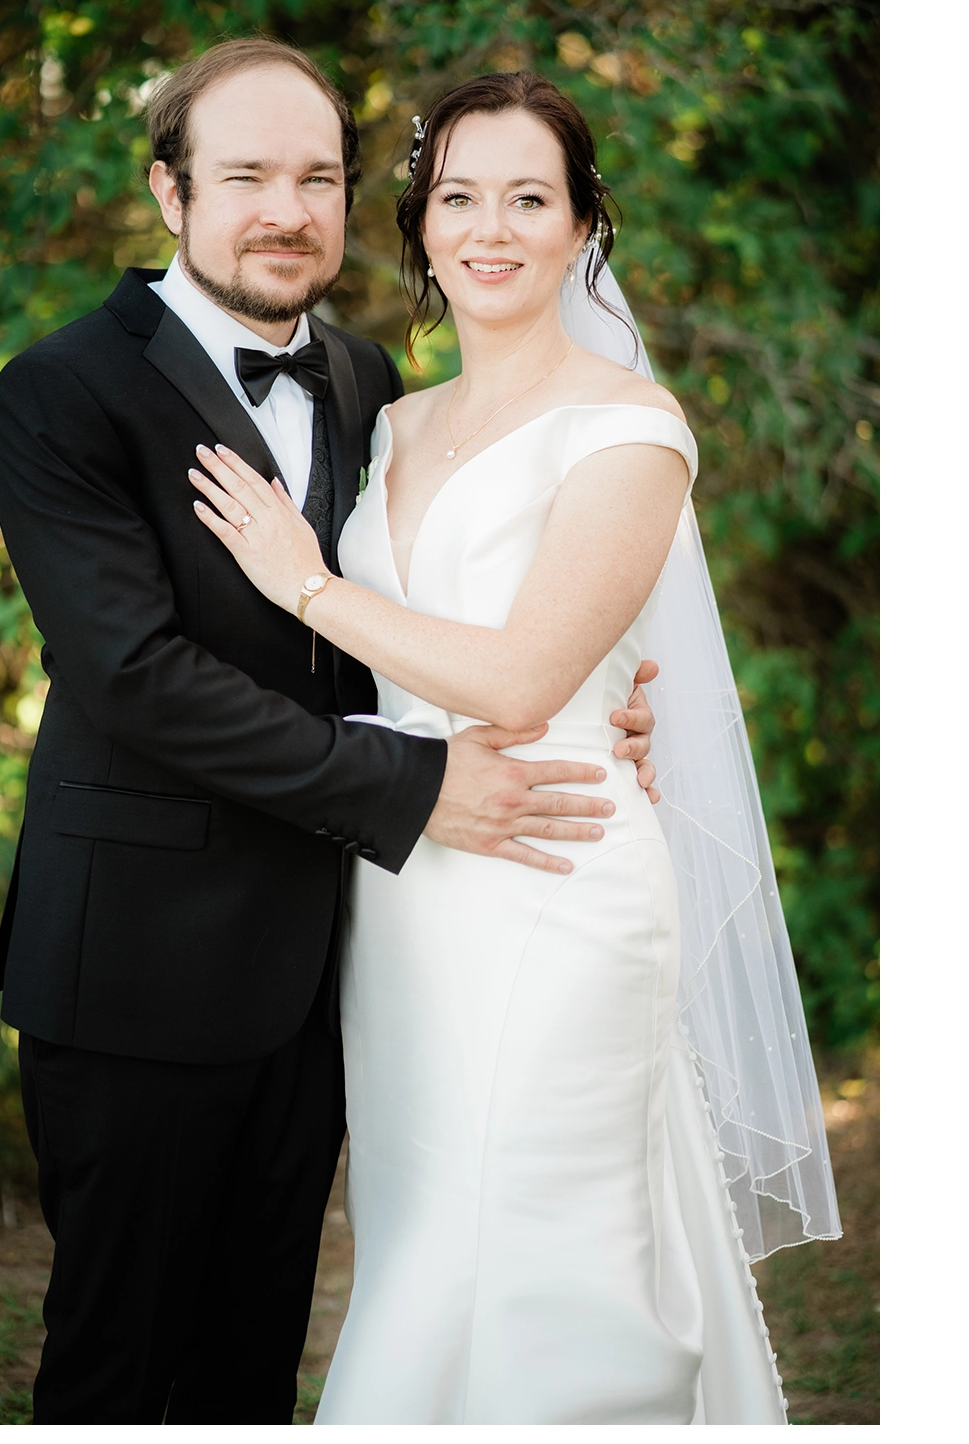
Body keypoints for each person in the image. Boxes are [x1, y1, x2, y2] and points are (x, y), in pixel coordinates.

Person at [0, 40, 662, 1424]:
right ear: (170, 191)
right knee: (120, 1362)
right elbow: (140, 680)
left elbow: (414, 617)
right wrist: (419, 783)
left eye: (315, 178)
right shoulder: (61, 391)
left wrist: (600, 705)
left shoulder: (370, 389)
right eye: (244, 176)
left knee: (256, 1363)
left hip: (327, 968)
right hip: (139, 967)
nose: (284, 210)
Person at [186, 71, 841, 1423]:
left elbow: (533, 676)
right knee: (426, 1241)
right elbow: (380, 672)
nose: (492, 227)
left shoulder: (633, 429)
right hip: (409, 883)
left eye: (529, 198)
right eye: (459, 196)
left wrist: (302, 579)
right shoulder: (391, 420)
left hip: (562, 869)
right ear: (423, 225)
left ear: (584, 223)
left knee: (546, 1255)